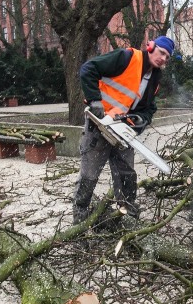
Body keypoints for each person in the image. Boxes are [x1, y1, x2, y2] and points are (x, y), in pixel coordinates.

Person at [72, 36, 174, 223]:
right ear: (151, 47)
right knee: (89, 176)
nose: (163, 58)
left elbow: (149, 108)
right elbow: (89, 68)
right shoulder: (127, 57)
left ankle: (128, 217)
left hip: (122, 131)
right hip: (99, 125)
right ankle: (79, 219)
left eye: (167, 57)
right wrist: (94, 100)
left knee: (127, 176)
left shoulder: (155, 79)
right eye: (161, 53)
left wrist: (140, 121)